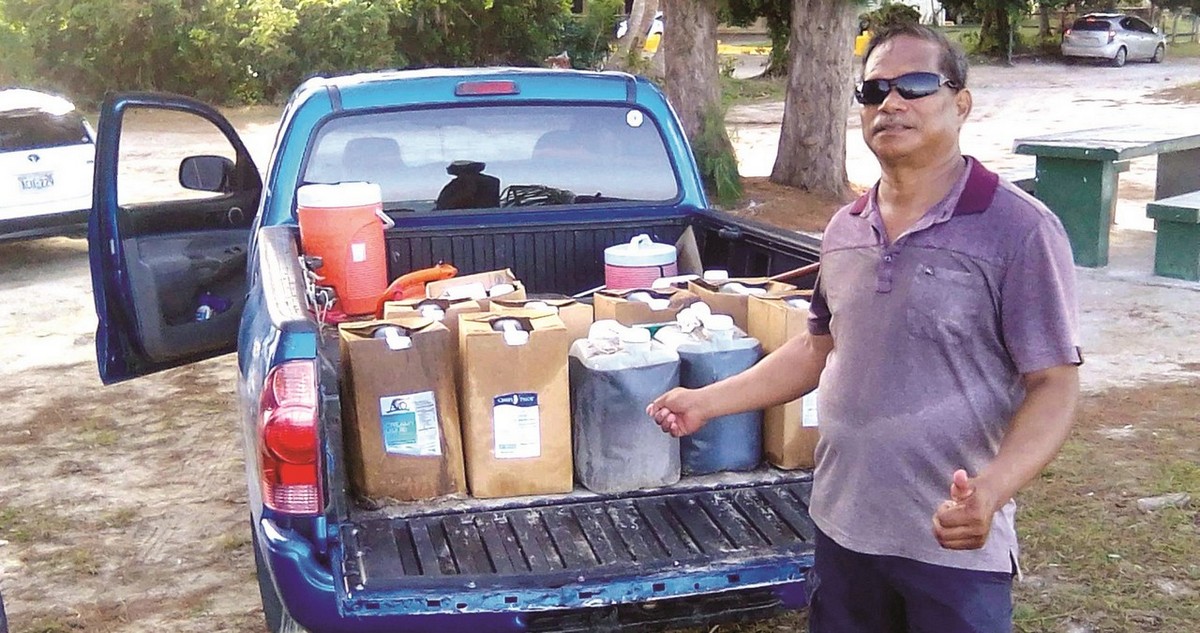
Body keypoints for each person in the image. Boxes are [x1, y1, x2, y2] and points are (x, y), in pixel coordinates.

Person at [647, 22, 1082, 633]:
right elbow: (816, 348)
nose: (892, 103)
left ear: (960, 103)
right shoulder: (846, 227)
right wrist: (706, 401)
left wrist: (992, 490)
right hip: (843, 530)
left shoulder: (1018, 228)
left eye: (916, 85)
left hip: (952, 546)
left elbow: (1054, 382)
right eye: (875, 90)